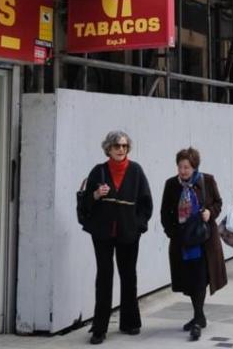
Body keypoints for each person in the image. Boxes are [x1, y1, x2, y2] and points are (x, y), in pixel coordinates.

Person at [80, 131, 153, 345]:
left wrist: (138, 226)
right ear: (108, 149)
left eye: (124, 146)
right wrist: (96, 195)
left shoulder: (136, 171)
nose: (121, 149)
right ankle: (100, 328)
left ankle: (130, 322)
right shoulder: (98, 171)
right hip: (102, 233)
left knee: (128, 276)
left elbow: (146, 202)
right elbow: (85, 202)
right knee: (104, 277)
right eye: (116, 146)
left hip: (129, 232)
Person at [161, 148, 228, 341]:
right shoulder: (171, 184)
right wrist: (172, 233)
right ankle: (199, 316)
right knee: (189, 279)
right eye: (180, 167)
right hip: (182, 241)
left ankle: (198, 320)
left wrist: (210, 213)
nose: (183, 171)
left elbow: (218, 202)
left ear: (194, 167)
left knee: (200, 278)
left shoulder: (207, 180)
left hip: (203, 240)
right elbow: (165, 212)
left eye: (187, 167)